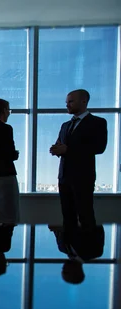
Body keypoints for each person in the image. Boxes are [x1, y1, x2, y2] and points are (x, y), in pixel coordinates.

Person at [49, 89, 107, 230]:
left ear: (84, 101)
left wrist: (68, 150)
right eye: (66, 102)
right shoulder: (65, 126)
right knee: (67, 216)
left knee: (85, 215)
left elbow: (99, 147)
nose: (67, 105)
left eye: (70, 101)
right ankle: (71, 249)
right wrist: (56, 149)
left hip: (83, 177)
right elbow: (60, 145)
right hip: (64, 177)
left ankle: (87, 250)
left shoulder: (97, 122)